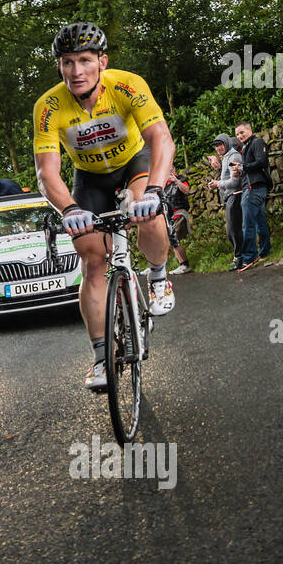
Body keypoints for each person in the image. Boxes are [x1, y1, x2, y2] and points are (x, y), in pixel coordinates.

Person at [33, 21, 176, 392]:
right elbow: (47, 172)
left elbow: (160, 138)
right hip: (90, 176)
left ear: (102, 61)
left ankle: (158, 275)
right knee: (91, 258)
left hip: (134, 162)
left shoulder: (126, 84)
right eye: (67, 62)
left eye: (84, 60)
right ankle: (100, 357)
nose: (76, 71)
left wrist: (156, 191)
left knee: (145, 210)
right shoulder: (48, 106)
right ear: (59, 66)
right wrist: (68, 210)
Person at [233, 121, 271, 270]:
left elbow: (262, 161)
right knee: (259, 221)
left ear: (250, 130)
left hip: (254, 188)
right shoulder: (246, 146)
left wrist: (243, 168)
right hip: (254, 187)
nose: (239, 136)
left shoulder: (257, 142)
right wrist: (240, 171)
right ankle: (265, 251)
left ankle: (249, 257)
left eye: (242, 132)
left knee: (247, 223)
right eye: (237, 134)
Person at [208, 133, 245, 269]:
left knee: (233, 230)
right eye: (216, 146)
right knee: (232, 230)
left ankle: (240, 257)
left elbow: (235, 181)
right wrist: (218, 169)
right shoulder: (226, 157)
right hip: (230, 196)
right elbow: (227, 176)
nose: (218, 148)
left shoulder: (233, 156)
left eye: (220, 145)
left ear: (227, 143)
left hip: (235, 194)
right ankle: (239, 256)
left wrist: (217, 184)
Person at [163, 167, 191, 274]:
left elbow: (186, 190)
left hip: (180, 212)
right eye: (167, 170)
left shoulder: (182, 179)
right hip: (168, 215)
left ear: (174, 170)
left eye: (171, 169)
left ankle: (185, 264)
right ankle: (182, 264)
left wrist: (176, 181)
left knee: (175, 238)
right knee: (170, 240)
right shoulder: (164, 184)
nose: (169, 172)